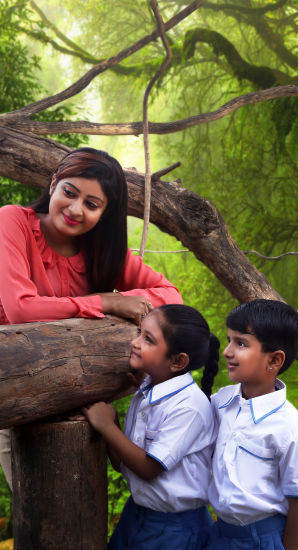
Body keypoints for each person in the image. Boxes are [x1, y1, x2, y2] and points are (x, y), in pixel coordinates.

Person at [0, 147, 182, 487]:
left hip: (83, 398)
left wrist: (128, 297)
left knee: (79, 509)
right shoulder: (12, 222)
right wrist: (106, 302)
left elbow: (171, 295)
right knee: (37, 507)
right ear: (53, 183)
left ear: (104, 213)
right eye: (70, 192)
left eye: (91, 204)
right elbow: (21, 309)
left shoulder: (102, 251)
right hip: (17, 390)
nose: (75, 209)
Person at [83, 304, 219, 550]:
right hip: (136, 515)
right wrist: (111, 421)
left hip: (175, 529)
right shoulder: (146, 393)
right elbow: (124, 463)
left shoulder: (190, 406)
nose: (135, 343)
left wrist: (106, 427)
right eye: (139, 332)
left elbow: (148, 468)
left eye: (148, 339)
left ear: (178, 361)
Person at [207, 299, 298, 550]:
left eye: (241, 343)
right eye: (229, 340)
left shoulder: (288, 425)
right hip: (221, 535)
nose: (227, 351)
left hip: (265, 539)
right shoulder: (221, 402)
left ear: (274, 360)